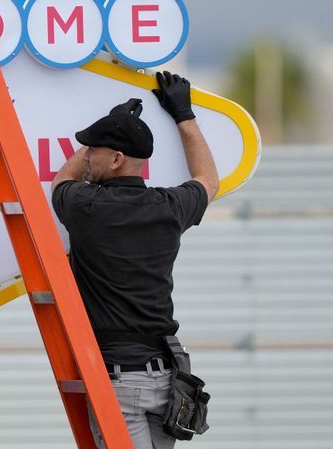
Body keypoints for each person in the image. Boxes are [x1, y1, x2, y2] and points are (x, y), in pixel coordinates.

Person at [51, 72, 219, 449]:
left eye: (93, 149)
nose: (87, 156)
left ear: (116, 158)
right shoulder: (169, 206)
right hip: (168, 377)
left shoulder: (86, 206)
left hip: (117, 382)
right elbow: (208, 179)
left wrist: (114, 122)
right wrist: (183, 114)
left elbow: (62, 179)